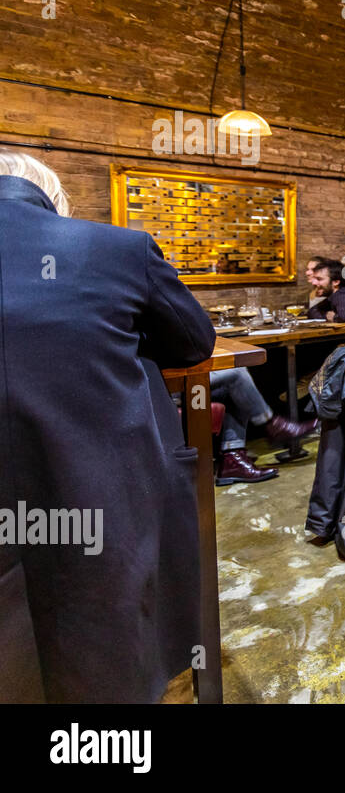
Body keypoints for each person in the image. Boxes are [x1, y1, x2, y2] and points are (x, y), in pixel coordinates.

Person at [1, 152, 215, 702]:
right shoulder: (117, 248)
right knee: (104, 648)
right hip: (103, 492)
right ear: (53, 195)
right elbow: (193, 343)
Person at [210, 368, 319, 484]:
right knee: (237, 374)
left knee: (238, 382)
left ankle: (232, 458)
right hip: (192, 380)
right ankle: (273, 426)